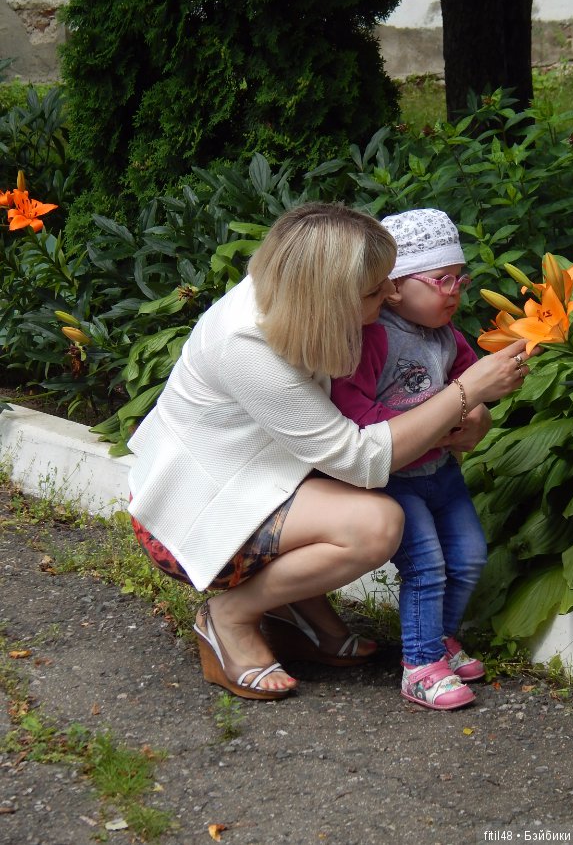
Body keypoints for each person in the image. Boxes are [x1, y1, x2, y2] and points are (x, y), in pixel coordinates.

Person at [126, 202, 531, 702]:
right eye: (375, 288)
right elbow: (360, 461)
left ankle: (295, 609)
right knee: (375, 524)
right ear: (329, 298)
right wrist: (465, 394)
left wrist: (470, 416)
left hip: (278, 474)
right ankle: (230, 615)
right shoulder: (247, 346)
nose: (390, 292)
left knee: (381, 512)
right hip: (201, 503)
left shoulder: (297, 294)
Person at [331, 208, 505, 711]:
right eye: (441, 280)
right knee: (426, 565)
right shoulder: (372, 335)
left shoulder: (447, 336)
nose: (454, 292)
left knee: (469, 555)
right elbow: (358, 414)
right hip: (395, 478)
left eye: (460, 280)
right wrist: (439, 424)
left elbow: (472, 386)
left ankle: (442, 640)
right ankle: (420, 665)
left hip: (441, 473)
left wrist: (475, 417)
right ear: (395, 286)